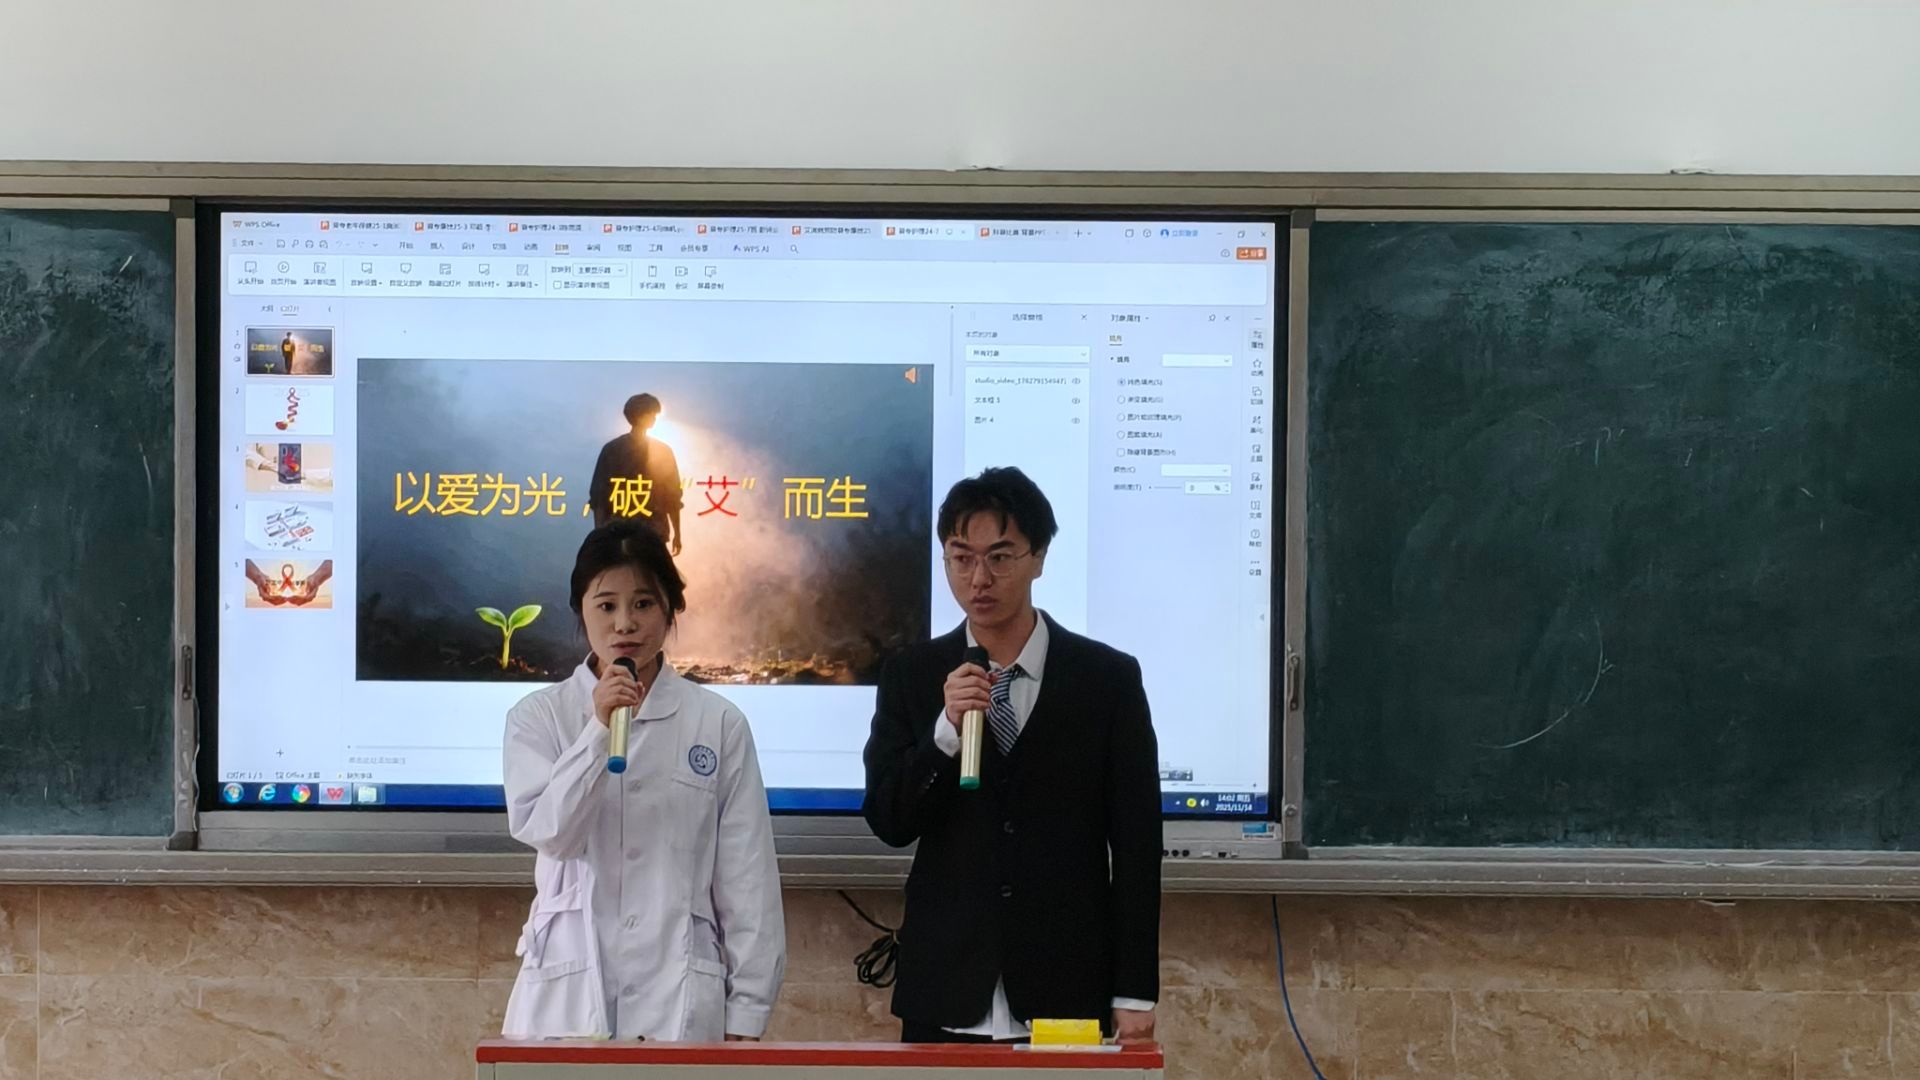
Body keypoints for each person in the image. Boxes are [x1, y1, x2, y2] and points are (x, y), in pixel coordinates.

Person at [861, 467, 1162, 1044]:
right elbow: (889, 820)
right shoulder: (912, 675)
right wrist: (945, 733)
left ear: (1039, 557)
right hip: (945, 989)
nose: (979, 579)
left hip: (1066, 986)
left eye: (1000, 557)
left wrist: (1133, 991)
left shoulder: (1107, 679)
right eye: (961, 558)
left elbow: (1137, 846)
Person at [501, 522, 784, 1041]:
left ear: (671, 608)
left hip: (678, 991)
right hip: (566, 991)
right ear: (581, 610)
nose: (625, 624)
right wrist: (597, 731)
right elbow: (551, 834)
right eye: (606, 605)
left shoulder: (718, 723)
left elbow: (748, 879)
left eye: (644, 604)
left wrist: (747, 1011)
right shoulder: (538, 717)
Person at [590, 393, 684, 553]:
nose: (654, 418)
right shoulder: (662, 451)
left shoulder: (611, 449)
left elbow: (599, 497)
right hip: (649, 531)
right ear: (639, 416)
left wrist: (599, 534)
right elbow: (672, 496)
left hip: (618, 529)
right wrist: (677, 534)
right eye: (651, 413)